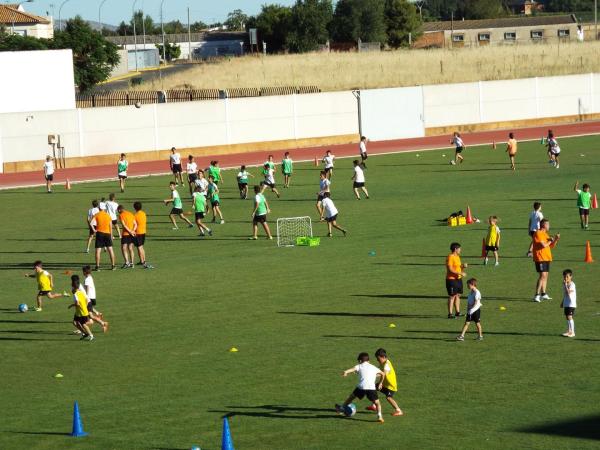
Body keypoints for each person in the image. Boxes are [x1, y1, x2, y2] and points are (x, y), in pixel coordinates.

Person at [336, 352, 385, 423]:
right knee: (377, 403)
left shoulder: (359, 366)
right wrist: (380, 383)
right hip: (371, 388)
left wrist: (346, 372)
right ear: (368, 361)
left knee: (351, 397)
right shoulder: (373, 367)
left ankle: (342, 408)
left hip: (361, 387)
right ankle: (379, 416)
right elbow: (383, 374)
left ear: (360, 361)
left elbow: (352, 369)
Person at [366, 348, 403, 417]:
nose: (377, 360)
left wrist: (380, 383)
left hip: (391, 386)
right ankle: (374, 406)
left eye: (378, 359)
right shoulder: (382, 363)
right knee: (372, 388)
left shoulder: (387, 365)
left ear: (383, 357)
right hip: (385, 384)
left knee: (388, 398)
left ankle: (399, 410)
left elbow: (383, 374)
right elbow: (378, 372)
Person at [532, 219, 560, 302]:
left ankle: (543, 294)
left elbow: (550, 246)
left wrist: (555, 239)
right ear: (544, 225)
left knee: (546, 276)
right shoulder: (538, 233)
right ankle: (537, 295)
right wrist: (550, 240)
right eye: (548, 224)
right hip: (540, 257)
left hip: (547, 257)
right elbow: (543, 245)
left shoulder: (545, 234)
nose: (549, 226)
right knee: (542, 275)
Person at [81, 266, 108, 333]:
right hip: (92, 297)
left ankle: (103, 323)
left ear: (84, 272)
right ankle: (98, 315)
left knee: (90, 315)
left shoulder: (87, 279)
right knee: (89, 314)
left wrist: (86, 298)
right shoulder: (90, 277)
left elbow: (87, 289)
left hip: (89, 298)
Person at [68, 275, 94, 341]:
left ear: (73, 287)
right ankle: (85, 333)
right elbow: (86, 300)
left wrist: (71, 305)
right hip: (79, 312)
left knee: (83, 324)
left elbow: (77, 304)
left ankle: (91, 335)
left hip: (82, 312)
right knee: (74, 322)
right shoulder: (81, 292)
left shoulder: (76, 294)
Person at [446, 242, 467, 319]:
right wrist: (460, 273)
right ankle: (450, 314)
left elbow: (458, 267)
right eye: (459, 249)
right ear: (455, 249)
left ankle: (457, 312)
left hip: (458, 279)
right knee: (452, 296)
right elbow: (450, 269)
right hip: (451, 280)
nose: (460, 250)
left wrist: (463, 266)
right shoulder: (450, 257)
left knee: (458, 295)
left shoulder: (457, 257)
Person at [133, 201, 153, 268]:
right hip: (143, 231)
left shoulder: (135, 215)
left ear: (135, 208)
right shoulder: (143, 213)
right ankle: (142, 260)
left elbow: (134, 224)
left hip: (138, 232)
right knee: (141, 246)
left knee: (139, 247)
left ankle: (143, 261)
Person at [117, 205, 137, 269]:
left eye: (118, 210)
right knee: (130, 248)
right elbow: (135, 224)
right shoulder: (130, 214)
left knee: (124, 248)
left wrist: (130, 231)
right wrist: (133, 230)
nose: (118, 212)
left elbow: (124, 225)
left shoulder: (121, 215)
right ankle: (132, 263)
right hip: (132, 234)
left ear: (120, 210)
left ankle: (127, 262)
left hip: (126, 234)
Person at [560, 269, 577, 338]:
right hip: (567, 303)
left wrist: (566, 285)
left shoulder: (572, 284)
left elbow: (568, 292)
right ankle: (569, 331)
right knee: (567, 317)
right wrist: (562, 302)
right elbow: (565, 294)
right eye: (564, 277)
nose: (565, 278)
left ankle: (572, 332)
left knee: (570, 317)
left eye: (567, 277)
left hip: (571, 304)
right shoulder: (565, 284)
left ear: (571, 277)